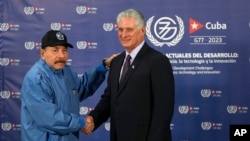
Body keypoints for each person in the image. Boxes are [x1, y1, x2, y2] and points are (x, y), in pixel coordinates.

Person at [83, 8, 175, 141]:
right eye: (120, 29)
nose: (123, 34)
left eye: (129, 29)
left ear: (142, 30)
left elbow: (163, 111)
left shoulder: (158, 61)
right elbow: (110, 99)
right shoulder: (116, 62)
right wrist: (93, 118)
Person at [21, 30, 117, 141]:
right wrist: (81, 122)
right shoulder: (35, 79)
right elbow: (50, 117)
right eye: (55, 50)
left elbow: (81, 88)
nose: (61, 55)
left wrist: (103, 67)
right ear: (42, 54)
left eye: (64, 50)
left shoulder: (67, 71)